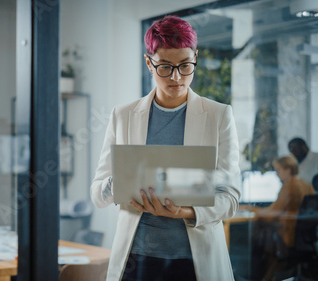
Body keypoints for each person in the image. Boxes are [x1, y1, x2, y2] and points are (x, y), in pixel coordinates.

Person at [90, 15, 240, 281]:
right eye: (165, 67)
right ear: (149, 63)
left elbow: (230, 199)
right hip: (137, 260)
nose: (176, 77)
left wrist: (184, 212)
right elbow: (97, 193)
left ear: (196, 57)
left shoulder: (218, 116)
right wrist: (117, 183)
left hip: (195, 261)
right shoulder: (122, 115)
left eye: (185, 66)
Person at [250, 156, 315, 280]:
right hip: (306, 239)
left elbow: (272, 215)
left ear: (288, 170)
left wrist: (250, 208)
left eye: (278, 170)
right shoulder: (305, 184)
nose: (276, 174)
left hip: (288, 238)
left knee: (259, 236)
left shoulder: (288, 186)